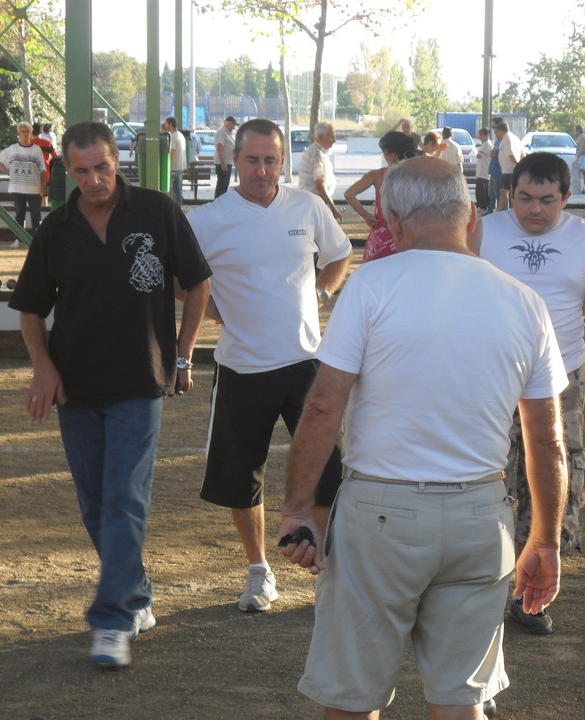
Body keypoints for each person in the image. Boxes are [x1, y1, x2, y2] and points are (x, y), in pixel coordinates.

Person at [278, 155, 569, 719]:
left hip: (380, 513)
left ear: (392, 222)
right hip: (480, 515)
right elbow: (547, 441)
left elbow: (322, 408)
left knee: (353, 695)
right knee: (462, 701)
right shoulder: (525, 302)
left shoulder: (371, 286)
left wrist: (297, 508)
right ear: (471, 215)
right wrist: (545, 538)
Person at [8, 121, 212, 668]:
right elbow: (30, 310)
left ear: (117, 160)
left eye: (102, 167)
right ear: (66, 171)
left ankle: (113, 619)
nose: (95, 179)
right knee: (96, 505)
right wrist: (43, 368)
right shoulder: (55, 229)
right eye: (82, 171)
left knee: (124, 496)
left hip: (140, 380)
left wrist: (183, 354)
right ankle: (136, 595)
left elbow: (198, 282)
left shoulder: (157, 211)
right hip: (74, 386)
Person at [186, 118, 352, 614]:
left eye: (271, 160)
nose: (262, 170)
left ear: (283, 161)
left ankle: (328, 571)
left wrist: (322, 292)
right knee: (242, 479)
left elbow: (339, 256)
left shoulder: (307, 206)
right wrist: (213, 310)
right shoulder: (207, 220)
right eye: (252, 160)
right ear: (234, 160)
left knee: (327, 470)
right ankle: (259, 571)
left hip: (307, 364)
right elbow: (182, 279)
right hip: (241, 369)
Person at [472, 150, 585, 635]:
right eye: (524, 198)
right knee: (487, 477)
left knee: (553, 480)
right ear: (511, 193)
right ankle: (479, 584)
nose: (534, 209)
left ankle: (530, 593)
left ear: (567, 197)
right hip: (491, 376)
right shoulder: (481, 232)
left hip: (562, 379)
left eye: (546, 200)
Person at [343, 131, 418, 262]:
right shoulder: (418, 175)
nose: (383, 155)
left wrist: (366, 215)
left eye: (384, 151)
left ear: (392, 155)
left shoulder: (377, 176)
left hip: (382, 236)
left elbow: (349, 194)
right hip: (410, 235)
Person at [0, 121, 46, 244]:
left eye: (28, 131)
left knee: (36, 216)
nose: (26, 134)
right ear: (19, 134)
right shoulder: (13, 149)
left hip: (34, 188)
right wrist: (7, 170)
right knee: (19, 215)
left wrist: (43, 186)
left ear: (31, 133)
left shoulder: (36, 149)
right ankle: (18, 238)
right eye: (23, 131)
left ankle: (37, 241)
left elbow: (43, 169)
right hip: (17, 188)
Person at [298, 121, 342, 221]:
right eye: (331, 137)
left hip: (312, 203)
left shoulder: (317, 152)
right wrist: (333, 207)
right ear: (320, 137)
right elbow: (319, 184)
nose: (334, 140)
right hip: (313, 204)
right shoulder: (316, 154)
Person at [496, 122, 523, 211]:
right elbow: (522, 154)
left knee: (504, 191)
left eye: (497, 131)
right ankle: (513, 210)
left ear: (500, 131)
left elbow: (510, 153)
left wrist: (518, 164)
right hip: (511, 169)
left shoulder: (507, 137)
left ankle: (499, 211)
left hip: (508, 170)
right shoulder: (515, 137)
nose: (496, 134)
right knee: (512, 191)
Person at [31, 124, 58, 208]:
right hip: (45, 171)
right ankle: (44, 211)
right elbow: (55, 156)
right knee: (44, 195)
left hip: (32, 171)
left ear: (31, 132)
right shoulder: (47, 144)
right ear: (41, 131)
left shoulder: (28, 144)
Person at [164, 116, 187, 206]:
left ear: (170, 124)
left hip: (174, 166)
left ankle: (173, 207)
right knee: (178, 189)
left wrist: (168, 168)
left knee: (170, 189)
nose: (165, 125)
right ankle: (178, 206)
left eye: (166, 123)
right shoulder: (180, 135)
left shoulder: (173, 136)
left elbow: (172, 153)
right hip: (180, 166)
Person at [213, 116, 237, 198]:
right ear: (228, 123)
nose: (234, 127)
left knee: (225, 184)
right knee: (222, 185)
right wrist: (223, 163)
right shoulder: (222, 132)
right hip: (223, 163)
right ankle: (218, 202)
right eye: (233, 125)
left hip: (227, 162)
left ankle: (221, 201)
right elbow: (219, 148)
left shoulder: (227, 133)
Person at [475, 127, 494, 214]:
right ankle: (481, 206)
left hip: (484, 171)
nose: (479, 137)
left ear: (485, 135)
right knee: (480, 190)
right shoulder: (485, 144)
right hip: (481, 171)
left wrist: (478, 152)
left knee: (482, 190)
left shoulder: (487, 144)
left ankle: (483, 206)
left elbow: (479, 155)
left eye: (480, 135)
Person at [573, 124, 585, 195]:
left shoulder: (581, 137)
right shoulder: (580, 137)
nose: (574, 132)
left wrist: (577, 158)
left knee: (583, 171)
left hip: (584, 156)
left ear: (578, 130)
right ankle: (583, 187)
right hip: (583, 156)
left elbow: (582, 148)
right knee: (583, 171)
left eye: (575, 130)